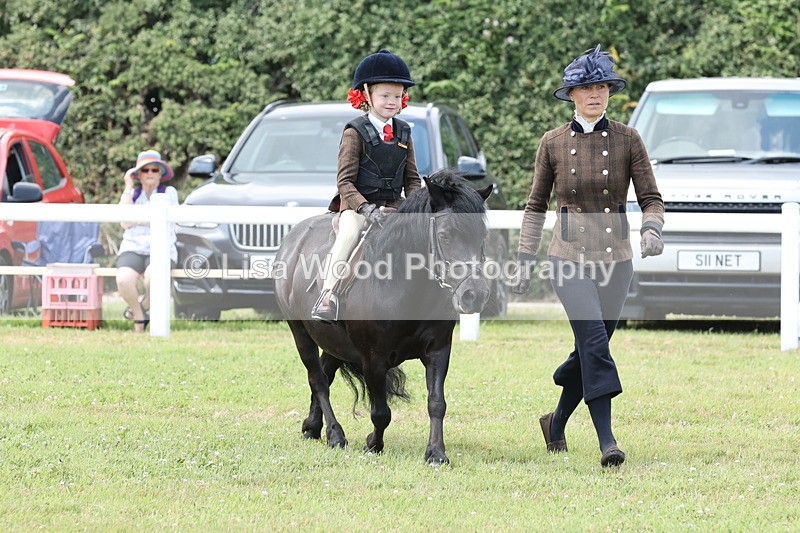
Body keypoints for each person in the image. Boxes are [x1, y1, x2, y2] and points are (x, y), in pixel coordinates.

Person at [513, 44, 665, 467]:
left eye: (601, 87)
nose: (595, 94)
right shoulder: (552, 142)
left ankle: (556, 421)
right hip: (568, 258)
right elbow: (535, 206)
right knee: (595, 344)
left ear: (609, 92)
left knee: (589, 350)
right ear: (572, 94)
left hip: (617, 261)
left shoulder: (629, 139)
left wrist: (652, 228)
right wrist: (525, 259)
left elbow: (651, 198)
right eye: (586, 88)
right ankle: (607, 442)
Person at [311, 49, 421, 322]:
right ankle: (327, 294)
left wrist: (416, 207)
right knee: (349, 233)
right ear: (367, 95)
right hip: (358, 208)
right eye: (385, 96)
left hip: (394, 207)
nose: (392, 102)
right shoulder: (354, 132)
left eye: (397, 96)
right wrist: (365, 209)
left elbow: (412, 179)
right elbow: (345, 181)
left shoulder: (404, 132)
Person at [116, 150, 179, 333]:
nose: (150, 173)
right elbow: (124, 222)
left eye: (154, 169)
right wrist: (127, 186)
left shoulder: (168, 192)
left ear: (160, 173)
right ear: (138, 175)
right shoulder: (132, 194)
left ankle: (142, 309)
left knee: (153, 277)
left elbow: (165, 221)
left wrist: (136, 220)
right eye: (145, 170)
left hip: (161, 249)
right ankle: (139, 316)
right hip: (133, 248)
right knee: (123, 280)